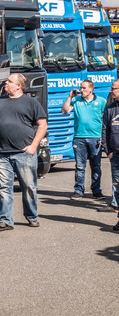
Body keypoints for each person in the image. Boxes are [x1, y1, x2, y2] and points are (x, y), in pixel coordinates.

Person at [0, 73, 48, 231]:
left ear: (18, 86)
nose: (5, 84)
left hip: (24, 153)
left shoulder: (31, 102)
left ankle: (31, 216)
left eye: (9, 81)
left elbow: (42, 125)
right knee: (4, 187)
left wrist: (33, 146)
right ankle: (6, 220)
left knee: (28, 186)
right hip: (2, 154)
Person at [61, 80, 106, 200]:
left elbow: (106, 118)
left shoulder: (101, 101)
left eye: (84, 88)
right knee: (80, 166)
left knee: (96, 165)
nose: (81, 90)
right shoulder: (76, 100)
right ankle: (78, 190)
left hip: (95, 138)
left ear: (91, 89)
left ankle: (96, 191)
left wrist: (103, 136)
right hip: (79, 138)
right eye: (81, 88)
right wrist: (70, 97)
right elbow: (65, 110)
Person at [100, 79, 119, 229]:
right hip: (116, 155)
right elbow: (105, 130)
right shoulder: (110, 108)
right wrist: (108, 151)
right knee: (117, 187)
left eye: (114, 89)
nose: (111, 91)